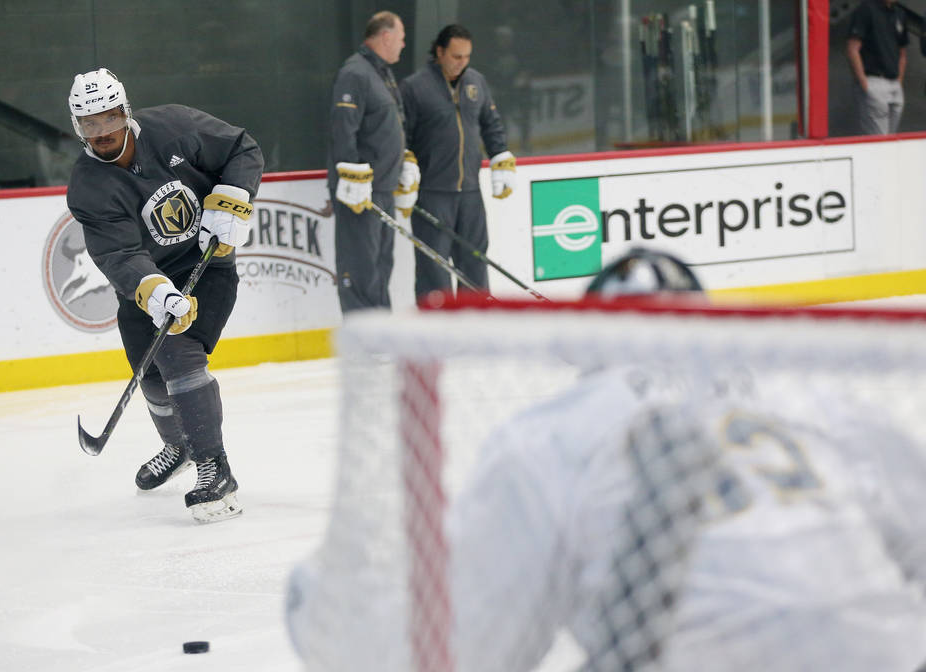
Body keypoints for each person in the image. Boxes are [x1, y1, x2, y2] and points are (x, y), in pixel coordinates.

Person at [285, 249, 926, 670]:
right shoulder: (811, 397)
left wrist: (325, 614)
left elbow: (468, 651)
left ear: (593, 346)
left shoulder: (556, 434)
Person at [65, 68, 264, 523]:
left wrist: (232, 199)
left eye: (109, 118)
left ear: (125, 111)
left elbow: (240, 148)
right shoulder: (88, 186)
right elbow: (118, 253)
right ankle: (180, 446)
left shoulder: (175, 126)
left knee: (177, 353)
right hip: (147, 281)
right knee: (147, 370)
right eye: (90, 123)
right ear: (79, 127)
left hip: (204, 265)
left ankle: (216, 468)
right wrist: (154, 293)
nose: (102, 132)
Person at [399, 24, 516, 304]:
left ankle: (476, 327)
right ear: (439, 52)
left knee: (475, 263)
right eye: (455, 57)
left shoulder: (477, 82)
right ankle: (435, 334)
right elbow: (401, 134)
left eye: (466, 57)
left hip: (471, 194)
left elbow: (491, 125)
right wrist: (405, 164)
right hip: (432, 193)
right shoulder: (414, 88)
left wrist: (500, 155)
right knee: (433, 270)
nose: (461, 64)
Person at [328, 11, 417, 313]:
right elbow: (343, 129)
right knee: (360, 264)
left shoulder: (382, 73)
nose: (403, 45)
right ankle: (362, 337)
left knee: (381, 264)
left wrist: (404, 163)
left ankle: (379, 330)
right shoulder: (355, 72)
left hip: (383, 188)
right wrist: (351, 177)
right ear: (386, 36)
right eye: (401, 38)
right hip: (360, 194)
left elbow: (389, 128)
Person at [845, 0, 909, 135]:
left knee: (891, 139)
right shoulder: (866, 10)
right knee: (879, 139)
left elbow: (902, 52)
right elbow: (852, 48)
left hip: (894, 84)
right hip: (874, 81)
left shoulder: (900, 14)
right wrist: (864, 83)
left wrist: (899, 81)